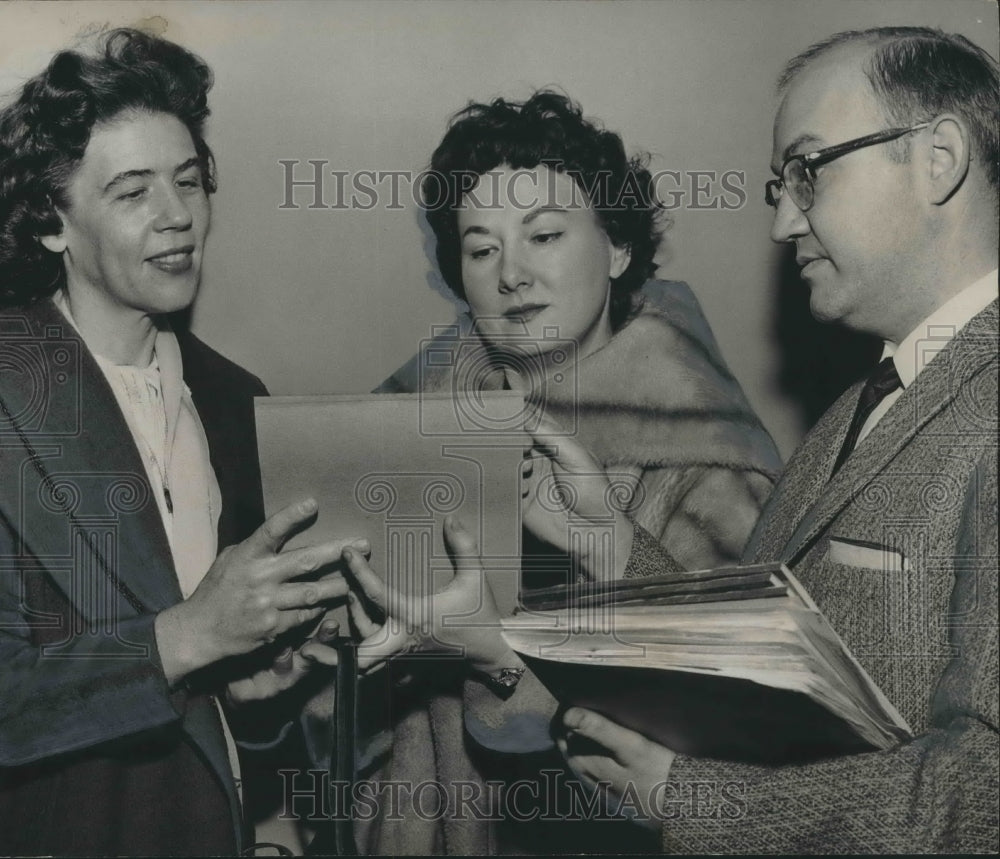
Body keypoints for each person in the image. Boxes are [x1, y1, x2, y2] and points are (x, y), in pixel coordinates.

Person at [520, 27, 998, 853]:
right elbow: (778, 665)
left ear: (940, 157)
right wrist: (611, 542)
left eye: (808, 171)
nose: (780, 222)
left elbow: (981, 790)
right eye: (778, 185)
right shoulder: (862, 404)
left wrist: (689, 798)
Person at [326, 91, 781, 855]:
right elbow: (338, 708)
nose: (512, 275)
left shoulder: (709, 460)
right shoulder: (403, 430)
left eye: (544, 234)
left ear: (618, 249)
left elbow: (729, 738)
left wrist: (499, 662)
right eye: (481, 248)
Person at [0, 29, 360, 856]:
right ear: (53, 224)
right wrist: (186, 636)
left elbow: (227, 706)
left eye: (189, 182)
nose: (177, 216)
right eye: (132, 192)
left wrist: (259, 685)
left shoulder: (237, 401)